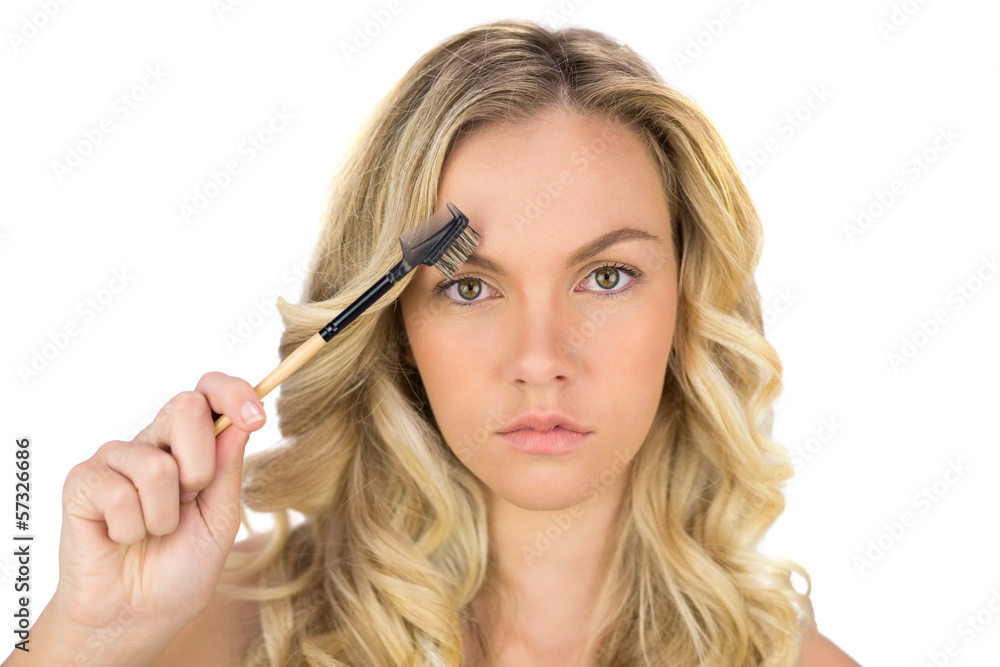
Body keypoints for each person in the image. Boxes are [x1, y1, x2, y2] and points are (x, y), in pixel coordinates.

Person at [6, 20, 862, 667]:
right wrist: (86, 635)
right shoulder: (214, 628)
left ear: (689, 306)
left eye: (606, 277)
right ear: (397, 329)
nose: (539, 357)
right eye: (469, 286)